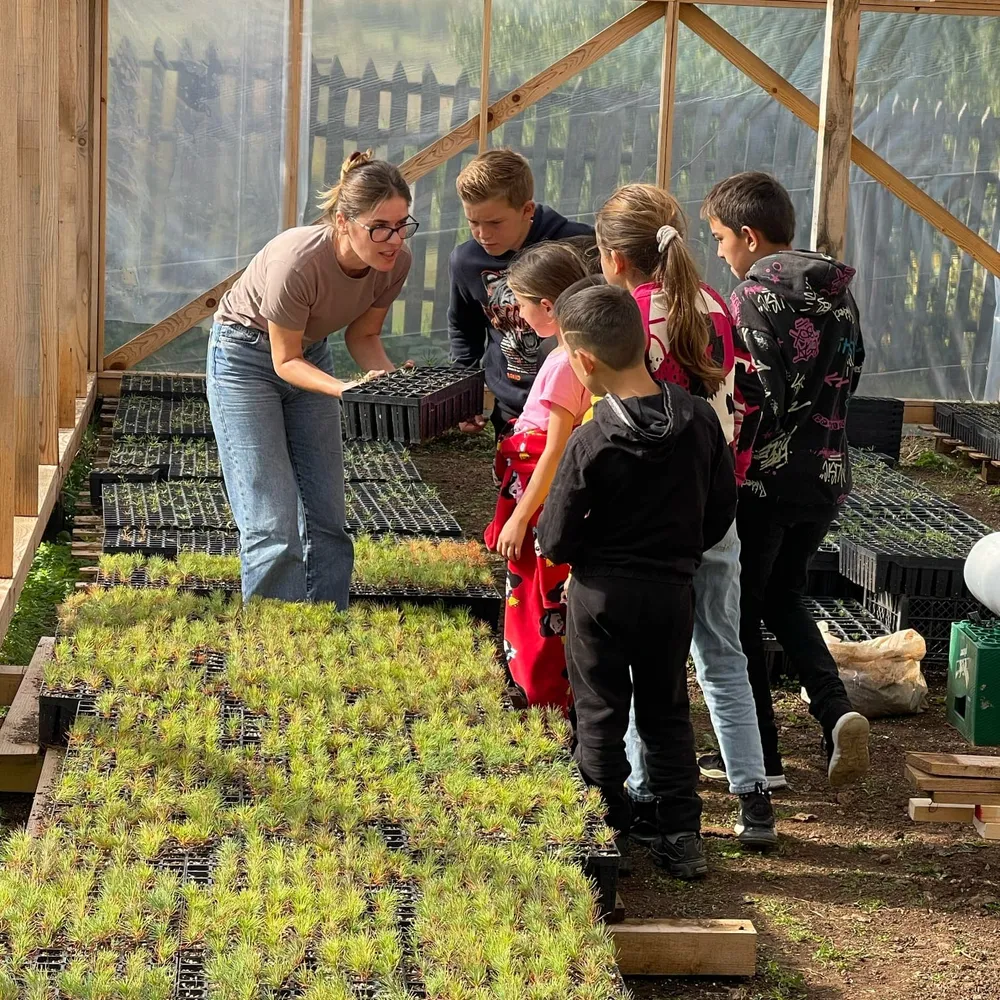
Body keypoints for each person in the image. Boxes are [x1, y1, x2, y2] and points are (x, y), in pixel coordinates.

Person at [593, 183, 776, 848]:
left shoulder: (626, 317)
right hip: (713, 502)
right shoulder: (715, 304)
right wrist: (733, 472)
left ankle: (646, 791)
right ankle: (754, 798)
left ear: (613, 257)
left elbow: (619, 422)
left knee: (649, 661)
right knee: (724, 654)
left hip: (650, 516)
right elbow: (746, 398)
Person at [536, 283, 737, 879]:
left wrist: (589, 556)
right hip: (671, 592)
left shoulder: (592, 439)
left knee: (599, 712)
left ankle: (605, 829)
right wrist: (678, 553)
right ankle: (681, 834)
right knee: (667, 708)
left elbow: (555, 536)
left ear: (585, 361)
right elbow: (721, 509)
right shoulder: (698, 420)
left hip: (600, 596)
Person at [702, 170, 870, 789]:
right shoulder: (836, 288)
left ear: (748, 236)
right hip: (827, 473)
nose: (718, 251)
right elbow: (852, 373)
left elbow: (755, 395)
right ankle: (836, 711)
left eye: (720, 238)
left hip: (766, 483)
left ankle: (758, 759)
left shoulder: (753, 296)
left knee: (741, 611)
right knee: (785, 595)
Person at [207, 150, 416, 605]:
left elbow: (364, 336)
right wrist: (345, 388)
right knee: (272, 525)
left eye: (402, 225)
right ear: (343, 222)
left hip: (311, 356)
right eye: (380, 227)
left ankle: (325, 634)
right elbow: (285, 361)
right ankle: (277, 650)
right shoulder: (297, 261)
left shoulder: (395, 263)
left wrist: (393, 382)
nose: (394, 239)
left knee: (328, 519)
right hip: (246, 360)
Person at [484, 242, 594, 709]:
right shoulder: (579, 355)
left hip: (537, 502)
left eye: (523, 304)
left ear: (548, 306)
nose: (520, 315)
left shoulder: (561, 364)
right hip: (542, 497)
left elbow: (554, 451)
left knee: (535, 600)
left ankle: (541, 693)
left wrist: (518, 518)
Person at [447, 149, 592, 440]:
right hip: (511, 411)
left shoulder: (580, 247)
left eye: (495, 223)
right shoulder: (466, 261)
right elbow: (465, 329)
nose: (483, 234)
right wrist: (462, 393)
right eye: (473, 222)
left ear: (527, 210)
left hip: (578, 409)